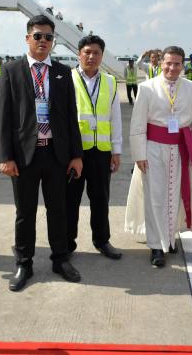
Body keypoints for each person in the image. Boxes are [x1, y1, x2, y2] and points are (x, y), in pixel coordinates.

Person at [0, 14, 84, 292]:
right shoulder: (11, 71)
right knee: (25, 212)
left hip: (56, 155)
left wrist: (76, 155)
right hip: (24, 156)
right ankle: (24, 262)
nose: (43, 41)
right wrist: (5, 156)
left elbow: (71, 116)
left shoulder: (61, 72)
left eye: (48, 37)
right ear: (27, 38)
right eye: (38, 36)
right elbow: (4, 117)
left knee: (58, 210)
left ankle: (60, 259)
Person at [125, 46, 192, 267]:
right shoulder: (147, 88)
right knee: (155, 197)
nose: (172, 67)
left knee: (177, 195)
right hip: (153, 148)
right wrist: (139, 154)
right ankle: (156, 245)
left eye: (177, 64)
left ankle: (170, 237)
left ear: (183, 65)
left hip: (181, 149)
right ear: (161, 63)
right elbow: (138, 125)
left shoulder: (191, 88)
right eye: (168, 63)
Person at [66, 35, 123, 260]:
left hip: (101, 151)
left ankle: (102, 240)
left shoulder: (109, 82)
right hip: (74, 153)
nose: (91, 56)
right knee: (70, 200)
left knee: (100, 199)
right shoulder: (66, 79)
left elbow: (115, 118)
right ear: (79, 53)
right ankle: (67, 243)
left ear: (101, 56)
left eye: (96, 53)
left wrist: (116, 151)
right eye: (87, 52)